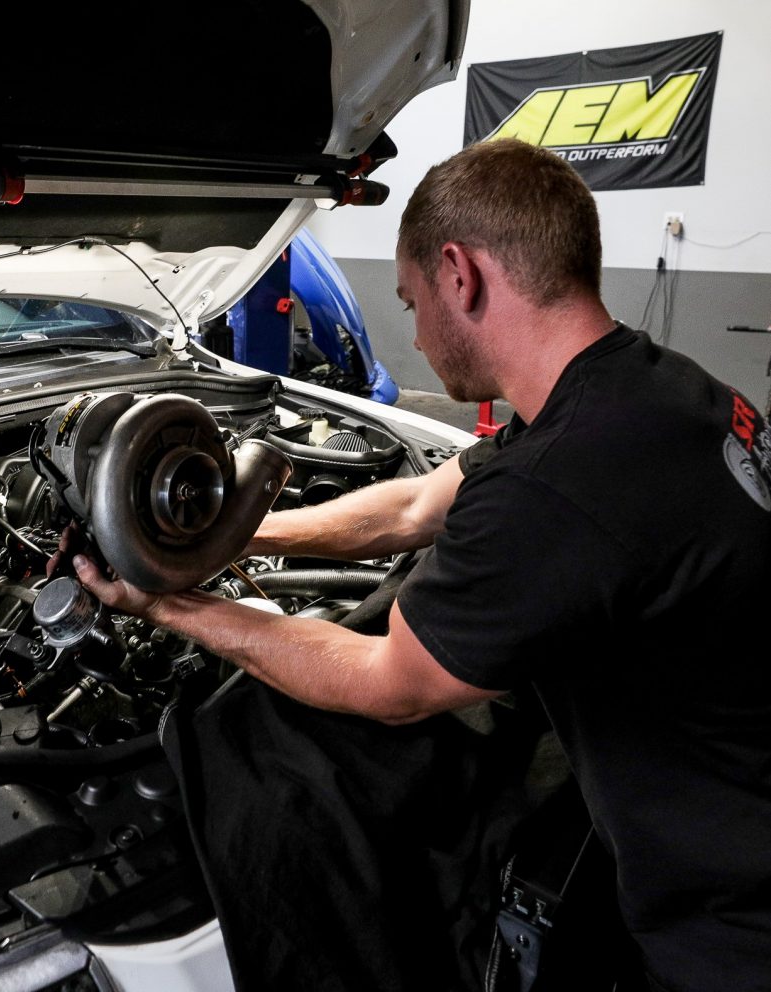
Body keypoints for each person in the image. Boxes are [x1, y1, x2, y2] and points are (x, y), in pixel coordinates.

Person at [73, 138, 771, 992]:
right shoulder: (647, 386)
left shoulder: (557, 482)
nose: (410, 330)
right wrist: (233, 534)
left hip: (733, 917)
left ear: (458, 274)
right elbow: (409, 507)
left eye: (407, 302)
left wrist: (169, 605)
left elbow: (387, 683)